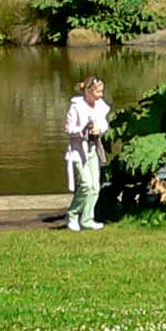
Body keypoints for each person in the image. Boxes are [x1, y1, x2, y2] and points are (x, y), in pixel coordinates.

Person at [63, 75, 112, 231]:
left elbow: (103, 123)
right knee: (85, 185)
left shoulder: (100, 105)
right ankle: (72, 214)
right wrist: (82, 130)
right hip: (78, 152)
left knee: (95, 187)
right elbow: (69, 129)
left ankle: (87, 219)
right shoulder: (76, 106)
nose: (101, 95)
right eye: (98, 92)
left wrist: (99, 129)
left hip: (92, 150)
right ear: (89, 92)